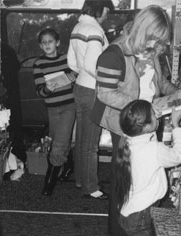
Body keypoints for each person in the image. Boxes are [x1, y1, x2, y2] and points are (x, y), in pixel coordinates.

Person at [90, 5, 179, 236]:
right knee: (126, 179)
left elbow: (160, 83)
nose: (159, 47)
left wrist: (177, 95)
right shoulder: (113, 54)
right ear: (143, 31)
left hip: (147, 120)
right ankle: (119, 232)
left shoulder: (151, 52)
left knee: (145, 177)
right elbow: (105, 94)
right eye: (155, 40)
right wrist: (142, 107)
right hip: (128, 122)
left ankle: (139, 228)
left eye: (162, 42)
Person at [97, 100, 181, 236]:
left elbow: (147, 138)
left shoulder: (129, 141)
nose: (157, 116)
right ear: (146, 126)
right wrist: (176, 126)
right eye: (154, 115)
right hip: (140, 216)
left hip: (133, 214)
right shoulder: (153, 149)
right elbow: (180, 155)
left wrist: (155, 120)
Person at [67, 0, 114, 199]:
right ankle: (91, 188)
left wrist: (85, 76)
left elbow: (72, 62)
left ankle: (81, 180)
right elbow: (92, 64)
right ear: (99, 7)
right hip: (92, 90)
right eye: (107, 11)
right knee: (91, 143)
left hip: (80, 87)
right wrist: (110, 82)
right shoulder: (94, 29)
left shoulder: (78, 26)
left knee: (82, 140)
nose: (107, 15)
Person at [33, 28, 77, 196]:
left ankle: (48, 184)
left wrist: (73, 76)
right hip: (52, 107)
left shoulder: (67, 59)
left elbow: (78, 75)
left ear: (57, 43)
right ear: (40, 45)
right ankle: (68, 166)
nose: (47, 45)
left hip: (68, 106)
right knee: (57, 140)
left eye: (50, 41)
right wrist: (47, 89)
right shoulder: (38, 64)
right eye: (43, 43)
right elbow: (39, 91)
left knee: (59, 143)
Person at [1, 13, 27, 181]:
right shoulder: (8, 51)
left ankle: (12, 165)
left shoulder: (2, 51)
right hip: (10, 97)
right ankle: (17, 161)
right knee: (13, 126)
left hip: (3, 96)